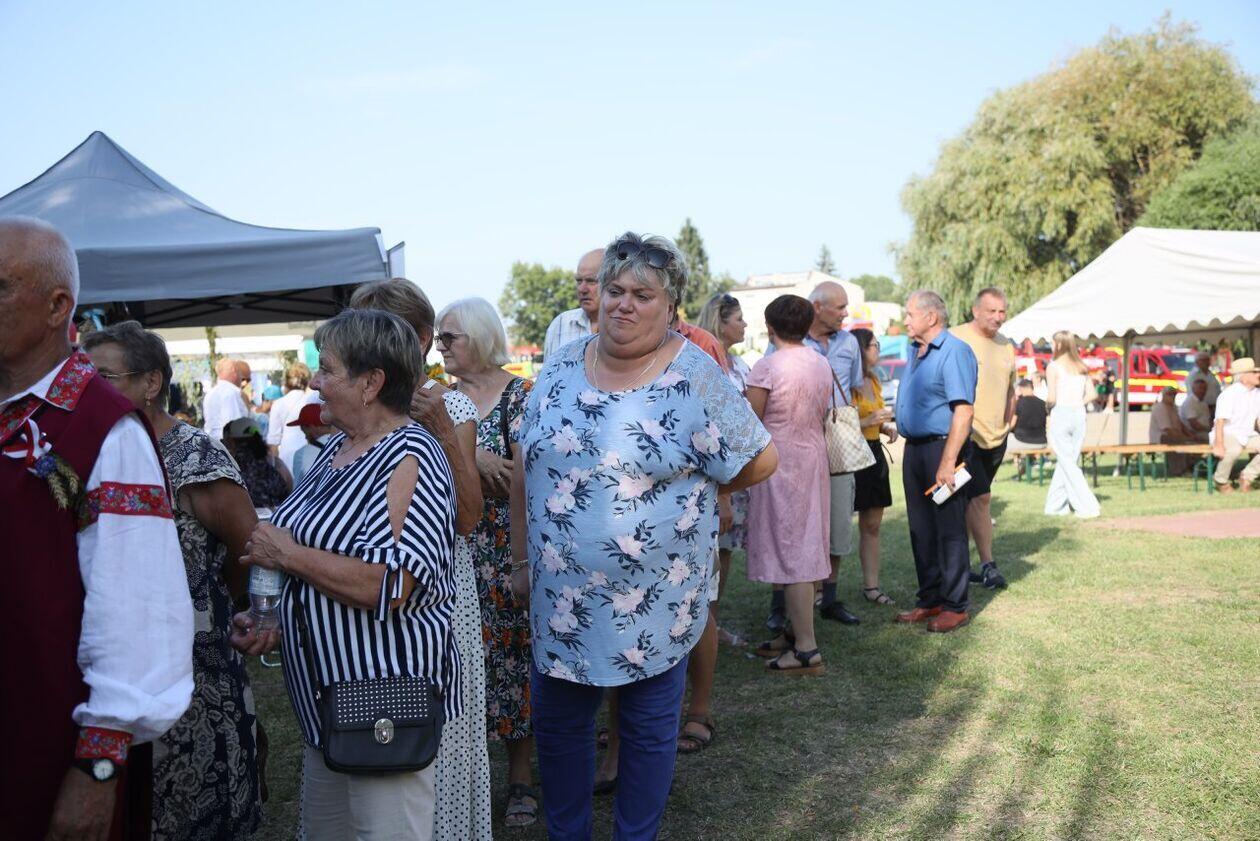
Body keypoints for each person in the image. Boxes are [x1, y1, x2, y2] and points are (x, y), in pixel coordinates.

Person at [510, 232, 777, 840]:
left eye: (642, 294)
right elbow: (527, 462)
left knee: (649, 732)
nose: (623, 304)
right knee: (560, 730)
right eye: (614, 290)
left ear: (671, 306)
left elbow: (760, 458)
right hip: (561, 602)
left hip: (657, 601)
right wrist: (522, 561)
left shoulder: (696, 376)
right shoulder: (560, 366)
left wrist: (698, 490)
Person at [229, 308, 460, 840]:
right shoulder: (339, 448)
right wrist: (276, 619)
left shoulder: (411, 455)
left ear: (371, 383)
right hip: (326, 707)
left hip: (385, 706)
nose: (315, 382)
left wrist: (288, 556)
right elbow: (319, 557)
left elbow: (392, 583)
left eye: (327, 369)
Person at [0, 216, 193, 840]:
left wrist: (99, 769)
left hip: (51, 744)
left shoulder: (104, 429)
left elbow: (138, 612)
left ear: (58, 306)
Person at [83, 322, 263, 840]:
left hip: (193, 672)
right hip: (111, 666)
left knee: (193, 811)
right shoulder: (91, 451)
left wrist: (208, 603)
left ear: (151, 382)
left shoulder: (195, 458)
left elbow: (247, 548)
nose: (90, 391)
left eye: (103, 378)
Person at [346, 278, 489, 840]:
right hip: (363, 593)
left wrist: (444, 430)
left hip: (436, 591)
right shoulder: (353, 405)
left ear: (422, 338)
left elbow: (467, 517)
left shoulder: (450, 405)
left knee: (437, 726)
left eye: (382, 330)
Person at [437, 297, 538, 828]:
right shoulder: (440, 401)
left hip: (509, 548)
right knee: (463, 663)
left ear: (478, 337)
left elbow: (531, 473)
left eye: (449, 336)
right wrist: (472, 455)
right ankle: (465, 777)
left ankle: (520, 778)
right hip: (457, 549)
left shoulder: (523, 394)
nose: (440, 346)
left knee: (515, 657)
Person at [764, 280, 863, 629]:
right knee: (789, 528)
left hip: (835, 443)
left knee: (837, 524)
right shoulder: (784, 343)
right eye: (840, 307)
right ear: (817, 307)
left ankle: (829, 598)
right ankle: (780, 606)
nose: (845, 314)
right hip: (796, 447)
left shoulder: (849, 343)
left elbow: (853, 389)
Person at [746, 295, 833, 672]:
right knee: (803, 542)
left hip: (778, 460)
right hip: (812, 456)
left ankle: (806, 649)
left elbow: (750, 421)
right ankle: (794, 633)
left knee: (793, 550)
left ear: (770, 327)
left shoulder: (767, 366)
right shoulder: (820, 362)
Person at [892, 290, 978, 633]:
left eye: (910, 314)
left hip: (942, 449)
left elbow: (964, 411)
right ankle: (930, 599)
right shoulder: (916, 350)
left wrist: (948, 461)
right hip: (915, 450)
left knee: (949, 529)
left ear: (931, 317)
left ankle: (956, 605)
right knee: (921, 528)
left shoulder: (955, 351)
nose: (905, 320)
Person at [951, 288, 1016, 590]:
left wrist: (1009, 421)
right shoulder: (955, 338)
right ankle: (989, 566)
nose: (998, 317)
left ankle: (960, 566)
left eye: (1002, 311)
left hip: (997, 438)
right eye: (992, 311)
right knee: (982, 498)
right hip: (968, 436)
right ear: (976, 310)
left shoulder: (1006, 345)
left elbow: (1010, 388)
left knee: (970, 502)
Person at [696, 292, 751, 645]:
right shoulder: (704, 363)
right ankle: (699, 630)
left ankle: (712, 625)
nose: (745, 324)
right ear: (721, 320)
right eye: (739, 318)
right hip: (715, 477)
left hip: (737, 473)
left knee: (725, 550)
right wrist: (723, 496)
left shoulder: (739, 364)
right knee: (707, 551)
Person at [849, 328, 899, 606]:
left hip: (874, 453)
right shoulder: (846, 382)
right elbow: (837, 423)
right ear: (860, 349)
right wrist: (870, 422)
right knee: (837, 526)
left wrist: (884, 427)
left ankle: (871, 586)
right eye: (873, 345)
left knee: (872, 525)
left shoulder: (875, 380)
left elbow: (873, 421)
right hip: (850, 456)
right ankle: (822, 590)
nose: (877, 349)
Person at [1044, 331, 1101, 518]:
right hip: (1078, 414)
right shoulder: (1081, 367)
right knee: (1068, 460)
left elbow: (1051, 397)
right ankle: (1055, 506)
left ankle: (1087, 506)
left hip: (1061, 413)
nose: (1051, 346)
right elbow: (1092, 394)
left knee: (1067, 461)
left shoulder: (1053, 367)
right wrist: (1078, 403)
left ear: (1059, 344)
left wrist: (1047, 408)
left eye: (1053, 343)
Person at [543, 248, 604, 360]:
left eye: (591, 281)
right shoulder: (560, 325)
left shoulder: (626, 326)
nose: (582, 289)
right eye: (579, 281)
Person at [1211, 357, 1260, 493]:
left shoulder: (1257, 394)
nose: (1258, 375)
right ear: (1243, 377)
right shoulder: (1229, 394)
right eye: (1254, 372)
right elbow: (1220, 421)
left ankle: (1247, 477)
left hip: (1248, 434)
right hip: (1228, 433)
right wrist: (1219, 444)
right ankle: (1220, 480)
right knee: (1233, 450)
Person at [221, 418, 292, 509]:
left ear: (231, 441)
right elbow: (288, 492)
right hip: (275, 515)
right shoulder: (276, 464)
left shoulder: (228, 468)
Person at [266, 362, 314, 471]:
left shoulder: (278, 404)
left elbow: (273, 441)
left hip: (286, 453)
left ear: (286, 381)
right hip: (309, 451)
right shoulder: (311, 400)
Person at [1150, 386, 1197, 475]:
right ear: (1164, 395)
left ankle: (1191, 467)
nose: (1172, 397)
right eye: (1170, 394)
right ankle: (1178, 470)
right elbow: (1167, 429)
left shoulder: (1174, 407)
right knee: (1179, 442)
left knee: (1194, 440)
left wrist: (1190, 435)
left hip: (1173, 435)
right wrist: (1184, 437)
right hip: (1160, 437)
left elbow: (1180, 424)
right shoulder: (1160, 408)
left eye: (1174, 394)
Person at [287, 401, 335, 484]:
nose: (305, 437)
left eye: (303, 430)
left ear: (311, 427)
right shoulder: (347, 443)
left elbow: (298, 488)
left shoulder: (301, 454)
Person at [1008, 379, 1048, 478]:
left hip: (1022, 441)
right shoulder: (1043, 403)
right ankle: (1020, 474)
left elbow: (1012, 424)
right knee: (1029, 453)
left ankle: (994, 478)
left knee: (1000, 442)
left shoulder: (1019, 403)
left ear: (1022, 389)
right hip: (1041, 442)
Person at [203, 357, 250, 440]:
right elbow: (234, 427)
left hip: (213, 443)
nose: (241, 378)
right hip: (227, 445)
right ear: (234, 371)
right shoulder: (231, 392)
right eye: (240, 374)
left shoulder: (210, 393)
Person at [1179, 377, 1212, 443]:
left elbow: (1208, 420)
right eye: (1200, 388)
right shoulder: (1189, 402)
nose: (1202, 390)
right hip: (1194, 434)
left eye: (1204, 388)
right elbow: (1194, 425)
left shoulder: (1203, 402)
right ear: (1193, 389)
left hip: (1205, 432)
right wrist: (1209, 429)